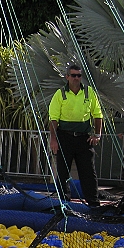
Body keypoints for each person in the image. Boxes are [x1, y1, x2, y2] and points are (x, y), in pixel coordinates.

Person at [48, 64, 104, 208]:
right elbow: (53, 119)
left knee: (88, 172)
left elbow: (98, 114)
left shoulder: (89, 92)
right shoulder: (60, 94)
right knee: (62, 172)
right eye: (73, 75)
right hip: (64, 137)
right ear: (67, 77)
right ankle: (64, 203)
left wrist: (97, 134)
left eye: (79, 75)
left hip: (84, 137)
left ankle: (94, 204)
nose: (76, 78)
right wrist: (53, 139)